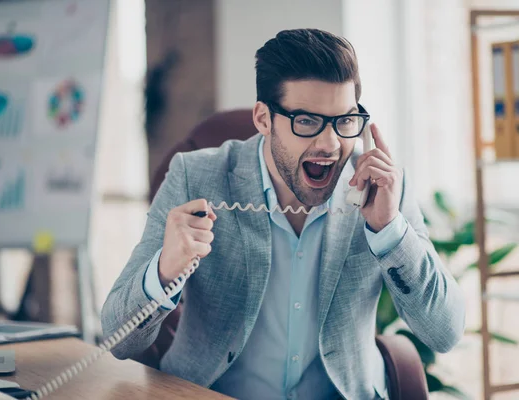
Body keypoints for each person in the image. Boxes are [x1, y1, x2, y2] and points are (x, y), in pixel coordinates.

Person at [101, 28, 465, 400]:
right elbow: (118, 339)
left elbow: (445, 333)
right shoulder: (195, 177)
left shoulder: (382, 187)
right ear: (263, 119)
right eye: (306, 121)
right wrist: (164, 269)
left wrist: (390, 232)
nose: (330, 144)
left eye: (344, 121)